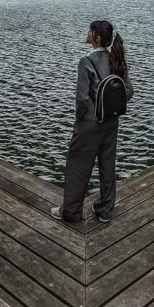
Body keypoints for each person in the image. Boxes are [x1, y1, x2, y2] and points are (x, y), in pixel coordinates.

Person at [51, 19, 133, 223]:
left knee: (78, 165)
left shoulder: (86, 61)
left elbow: (81, 99)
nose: (87, 33)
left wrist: (80, 121)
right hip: (111, 122)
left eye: (90, 31)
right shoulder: (116, 57)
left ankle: (70, 211)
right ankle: (105, 211)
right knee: (107, 165)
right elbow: (129, 91)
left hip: (89, 123)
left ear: (96, 37)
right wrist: (112, 107)